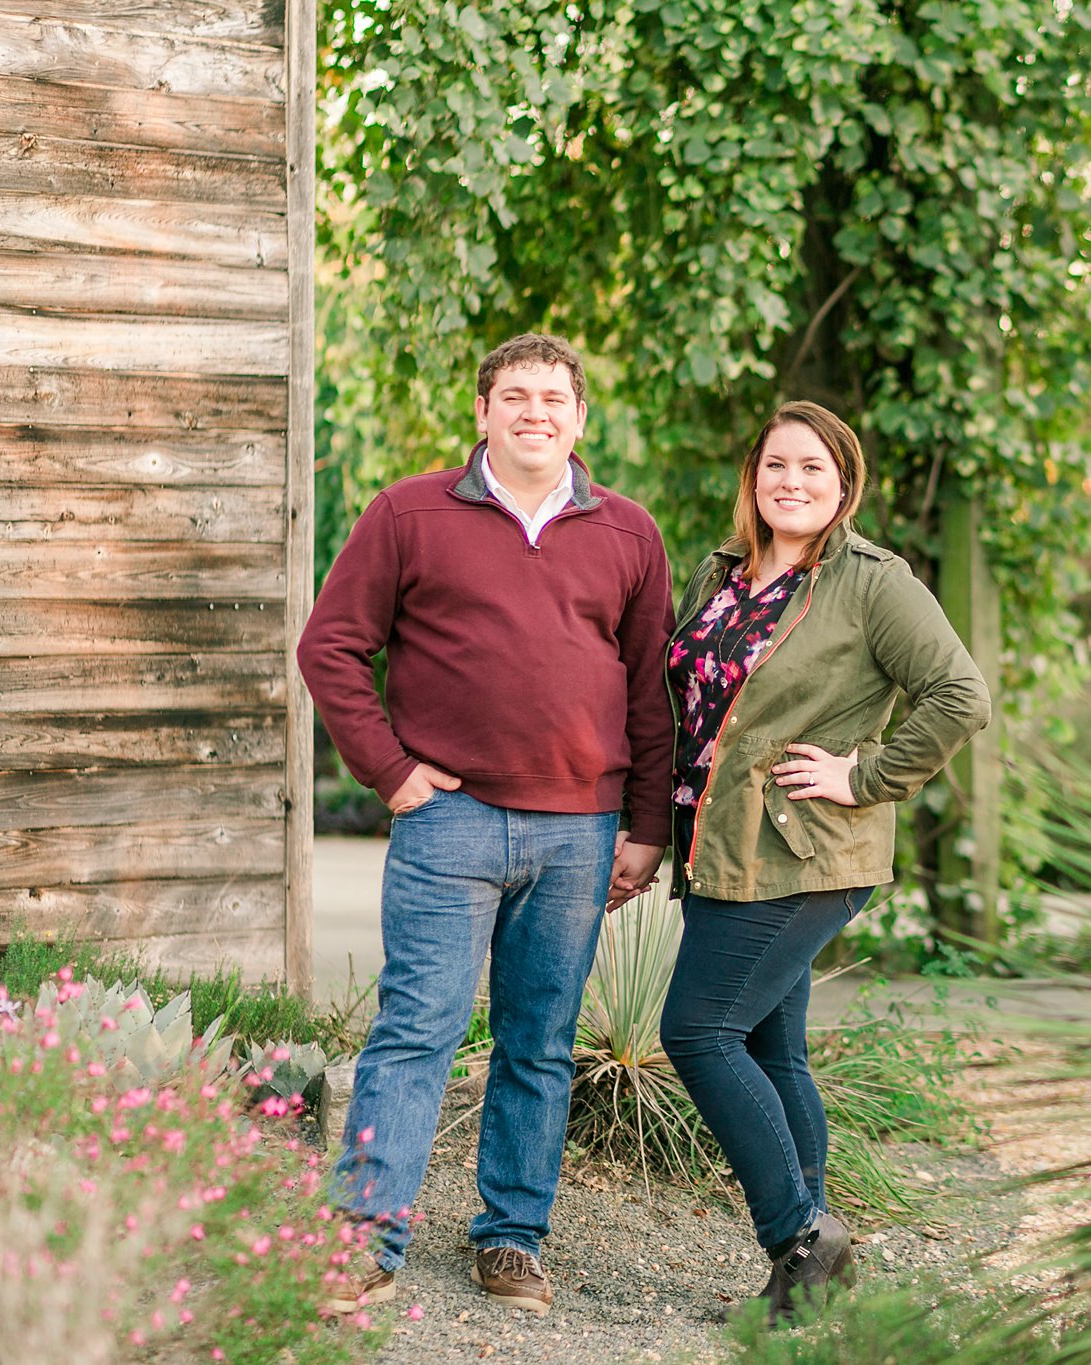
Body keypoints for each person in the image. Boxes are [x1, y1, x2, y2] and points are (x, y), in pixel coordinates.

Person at [297, 333, 674, 1317]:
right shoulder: (410, 514)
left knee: (538, 1042)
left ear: (580, 417)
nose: (534, 413)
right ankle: (366, 1237)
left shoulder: (630, 535)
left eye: (553, 398)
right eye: (515, 397)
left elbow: (649, 694)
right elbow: (330, 646)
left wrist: (645, 825)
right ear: (482, 412)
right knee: (414, 1029)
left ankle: (510, 1239)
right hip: (449, 823)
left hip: (578, 831)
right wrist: (389, 772)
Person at [656, 400, 991, 1323]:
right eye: (775, 465)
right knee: (771, 1043)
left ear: (844, 484)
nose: (791, 482)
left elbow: (960, 694)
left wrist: (867, 774)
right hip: (721, 848)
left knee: (697, 1030)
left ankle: (801, 1238)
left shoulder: (871, 581)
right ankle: (816, 1283)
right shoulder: (724, 571)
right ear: (752, 477)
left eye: (812, 467)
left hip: (805, 850)